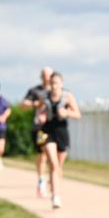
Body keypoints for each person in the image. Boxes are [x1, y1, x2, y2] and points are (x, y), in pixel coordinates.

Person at [35, 72, 80, 209]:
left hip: (62, 132)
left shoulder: (67, 96)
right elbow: (40, 112)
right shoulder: (45, 97)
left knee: (59, 166)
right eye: (52, 83)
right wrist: (41, 118)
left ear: (61, 83)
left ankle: (52, 183)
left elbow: (78, 114)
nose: (54, 85)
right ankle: (56, 197)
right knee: (53, 164)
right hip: (47, 132)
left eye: (57, 83)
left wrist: (66, 113)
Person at [23, 67, 53, 198]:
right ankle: (41, 180)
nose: (47, 78)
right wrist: (37, 104)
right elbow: (24, 104)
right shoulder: (35, 91)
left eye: (49, 76)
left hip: (54, 127)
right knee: (43, 154)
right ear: (41, 76)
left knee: (54, 156)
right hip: (40, 127)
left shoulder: (55, 90)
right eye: (45, 76)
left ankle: (52, 180)